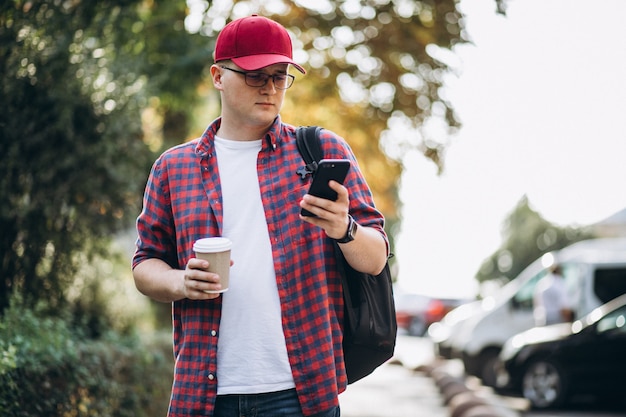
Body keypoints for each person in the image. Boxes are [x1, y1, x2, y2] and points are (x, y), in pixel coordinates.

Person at [132, 14, 388, 417]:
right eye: (255, 75)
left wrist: (344, 228)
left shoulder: (320, 150)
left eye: (280, 75)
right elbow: (145, 264)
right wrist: (181, 281)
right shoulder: (173, 167)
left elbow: (375, 259)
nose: (270, 87)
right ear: (218, 76)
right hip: (203, 394)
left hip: (302, 393)